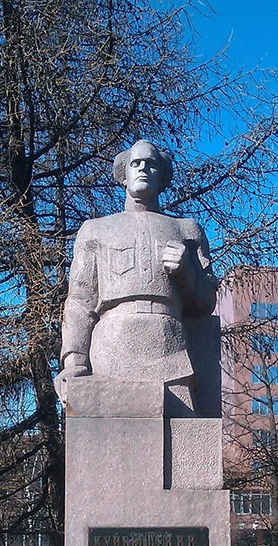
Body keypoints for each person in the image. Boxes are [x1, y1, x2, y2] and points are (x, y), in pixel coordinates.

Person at [56, 140, 218, 414]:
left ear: (162, 177)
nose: (143, 168)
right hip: (113, 346)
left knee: (184, 437)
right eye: (136, 163)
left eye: (151, 164)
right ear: (124, 174)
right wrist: (74, 360)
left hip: (169, 345)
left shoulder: (186, 230)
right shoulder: (96, 230)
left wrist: (187, 274)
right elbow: (80, 302)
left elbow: (206, 303)